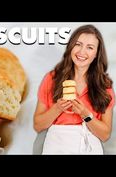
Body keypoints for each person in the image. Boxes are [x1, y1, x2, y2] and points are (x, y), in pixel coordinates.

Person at [33, 24, 115, 154]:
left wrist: (85, 114)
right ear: (70, 46)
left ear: (96, 54)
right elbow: (38, 125)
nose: (82, 52)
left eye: (90, 47)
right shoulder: (52, 78)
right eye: (78, 44)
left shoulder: (104, 85)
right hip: (56, 147)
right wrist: (58, 108)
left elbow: (105, 135)